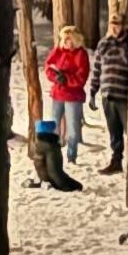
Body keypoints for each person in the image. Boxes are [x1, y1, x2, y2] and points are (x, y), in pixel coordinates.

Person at [37, 26, 90, 190]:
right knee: (54, 125)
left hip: (73, 95)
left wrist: (66, 79)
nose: (67, 42)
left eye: (70, 39)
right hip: (58, 93)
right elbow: (48, 66)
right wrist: (56, 78)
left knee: (73, 128)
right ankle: (55, 154)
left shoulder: (81, 54)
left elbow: (82, 77)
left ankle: (71, 156)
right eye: (65, 39)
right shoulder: (58, 51)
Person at [91, 18, 128, 172]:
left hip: (124, 94)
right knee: (114, 131)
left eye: (117, 25)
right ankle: (116, 161)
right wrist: (93, 90)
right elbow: (97, 67)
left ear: (123, 25)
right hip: (107, 94)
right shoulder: (103, 44)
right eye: (112, 25)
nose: (114, 28)